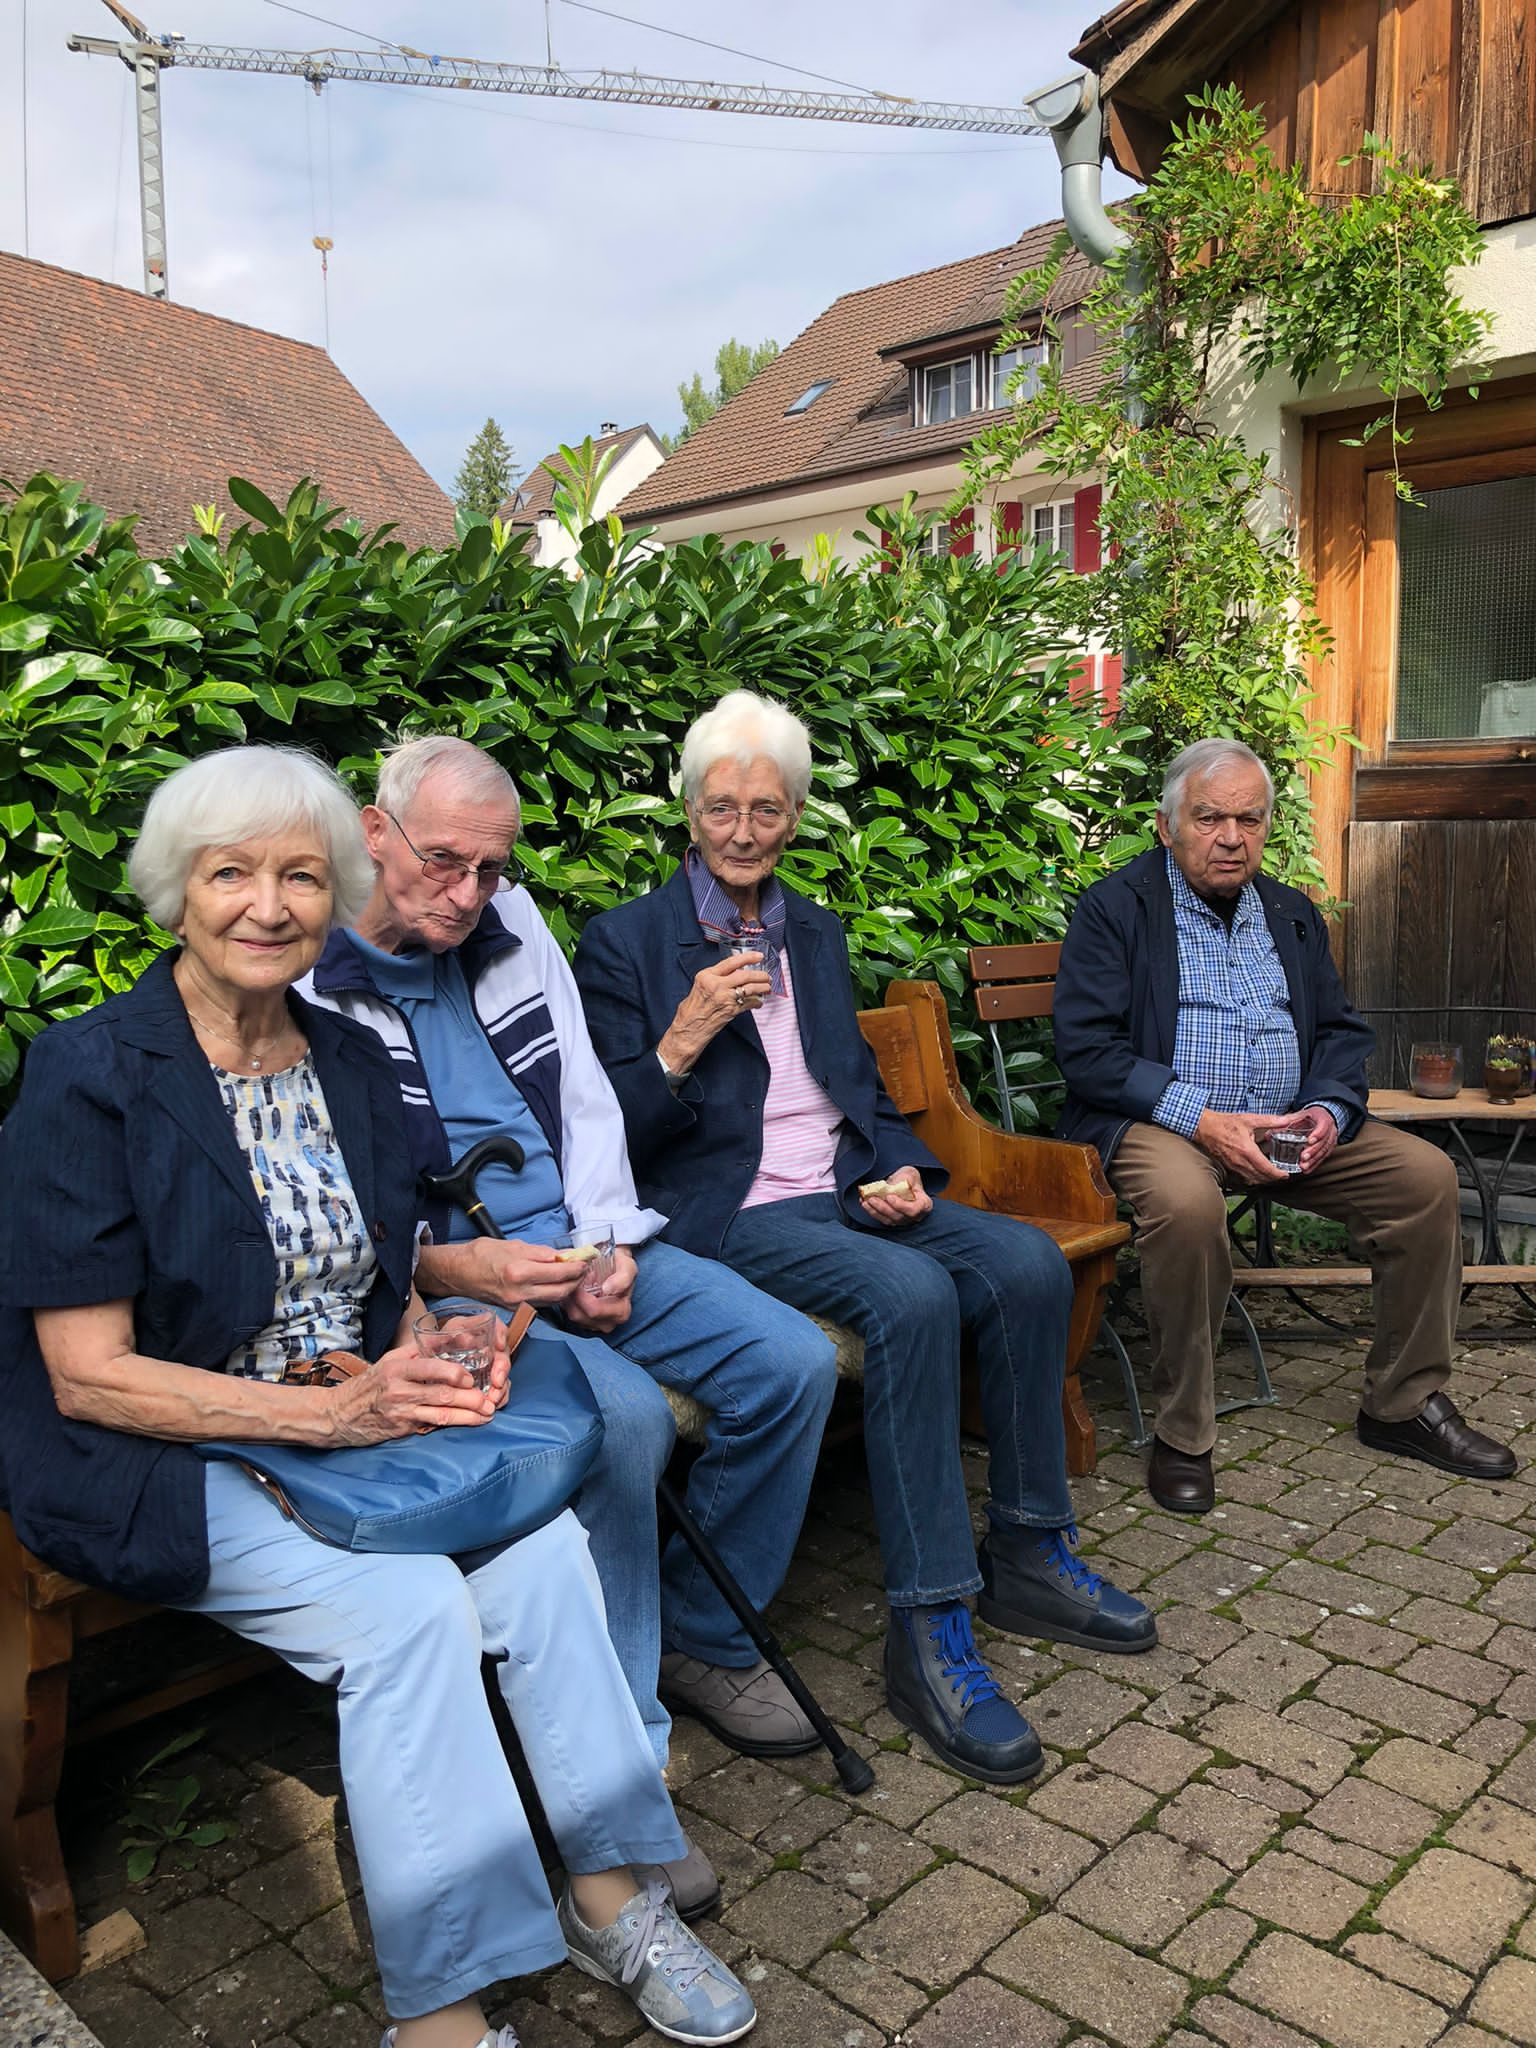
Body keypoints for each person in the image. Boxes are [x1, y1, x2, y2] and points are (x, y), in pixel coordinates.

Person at [0, 747, 755, 2048]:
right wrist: (326, 1418)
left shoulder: (350, 1054)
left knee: (541, 1558)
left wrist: (431, 1348)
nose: (268, 904)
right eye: (230, 872)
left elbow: (383, 1270)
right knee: (409, 1613)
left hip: (351, 1429)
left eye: (302, 875)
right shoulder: (92, 1073)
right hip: (169, 1449)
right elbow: (87, 1371)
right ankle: (444, 2016)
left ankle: (612, 1895)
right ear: (177, 888)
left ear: (337, 885)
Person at [572, 690, 1155, 1791]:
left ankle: (1029, 1549)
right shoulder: (627, 944)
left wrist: (895, 1163)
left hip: (840, 1190)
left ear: (793, 817)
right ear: (689, 812)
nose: (744, 828)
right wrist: (685, 1035)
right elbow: (610, 1137)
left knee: (1027, 1262)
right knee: (910, 1297)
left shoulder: (814, 929)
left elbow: (857, 1092)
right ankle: (928, 1627)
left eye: (768, 807)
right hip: (732, 1213)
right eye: (722, 806)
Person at [298, 737, 837, 1826]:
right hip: (446, 1281)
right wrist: (455, 1267)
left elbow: (588, 1100)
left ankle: (707, 1639)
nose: (466, 894)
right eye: (444, 861)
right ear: (372, 831)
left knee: (791, 1362)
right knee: (628, 1418)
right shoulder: (306, 975)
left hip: (576, 1240)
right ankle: (615, 1759)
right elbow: (328, 1212)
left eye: (491, 868)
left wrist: (605, 1240)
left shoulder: (512, 923)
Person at [1054, 735, 1517, 1515]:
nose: (1230, 838)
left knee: (1425, 1179)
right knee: (1190, 1206)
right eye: (1208, 818)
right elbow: (1088, 1053)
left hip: (1288, 1128)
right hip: (1159, 1124)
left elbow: (1339, 1032)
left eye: (1249, 819)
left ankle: (1402, 1406)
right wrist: (1202, 1120)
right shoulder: (1116, 909)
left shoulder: (1290, 913)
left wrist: (1330, 1112)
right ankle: (1184, 1431)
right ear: (1167, 826)